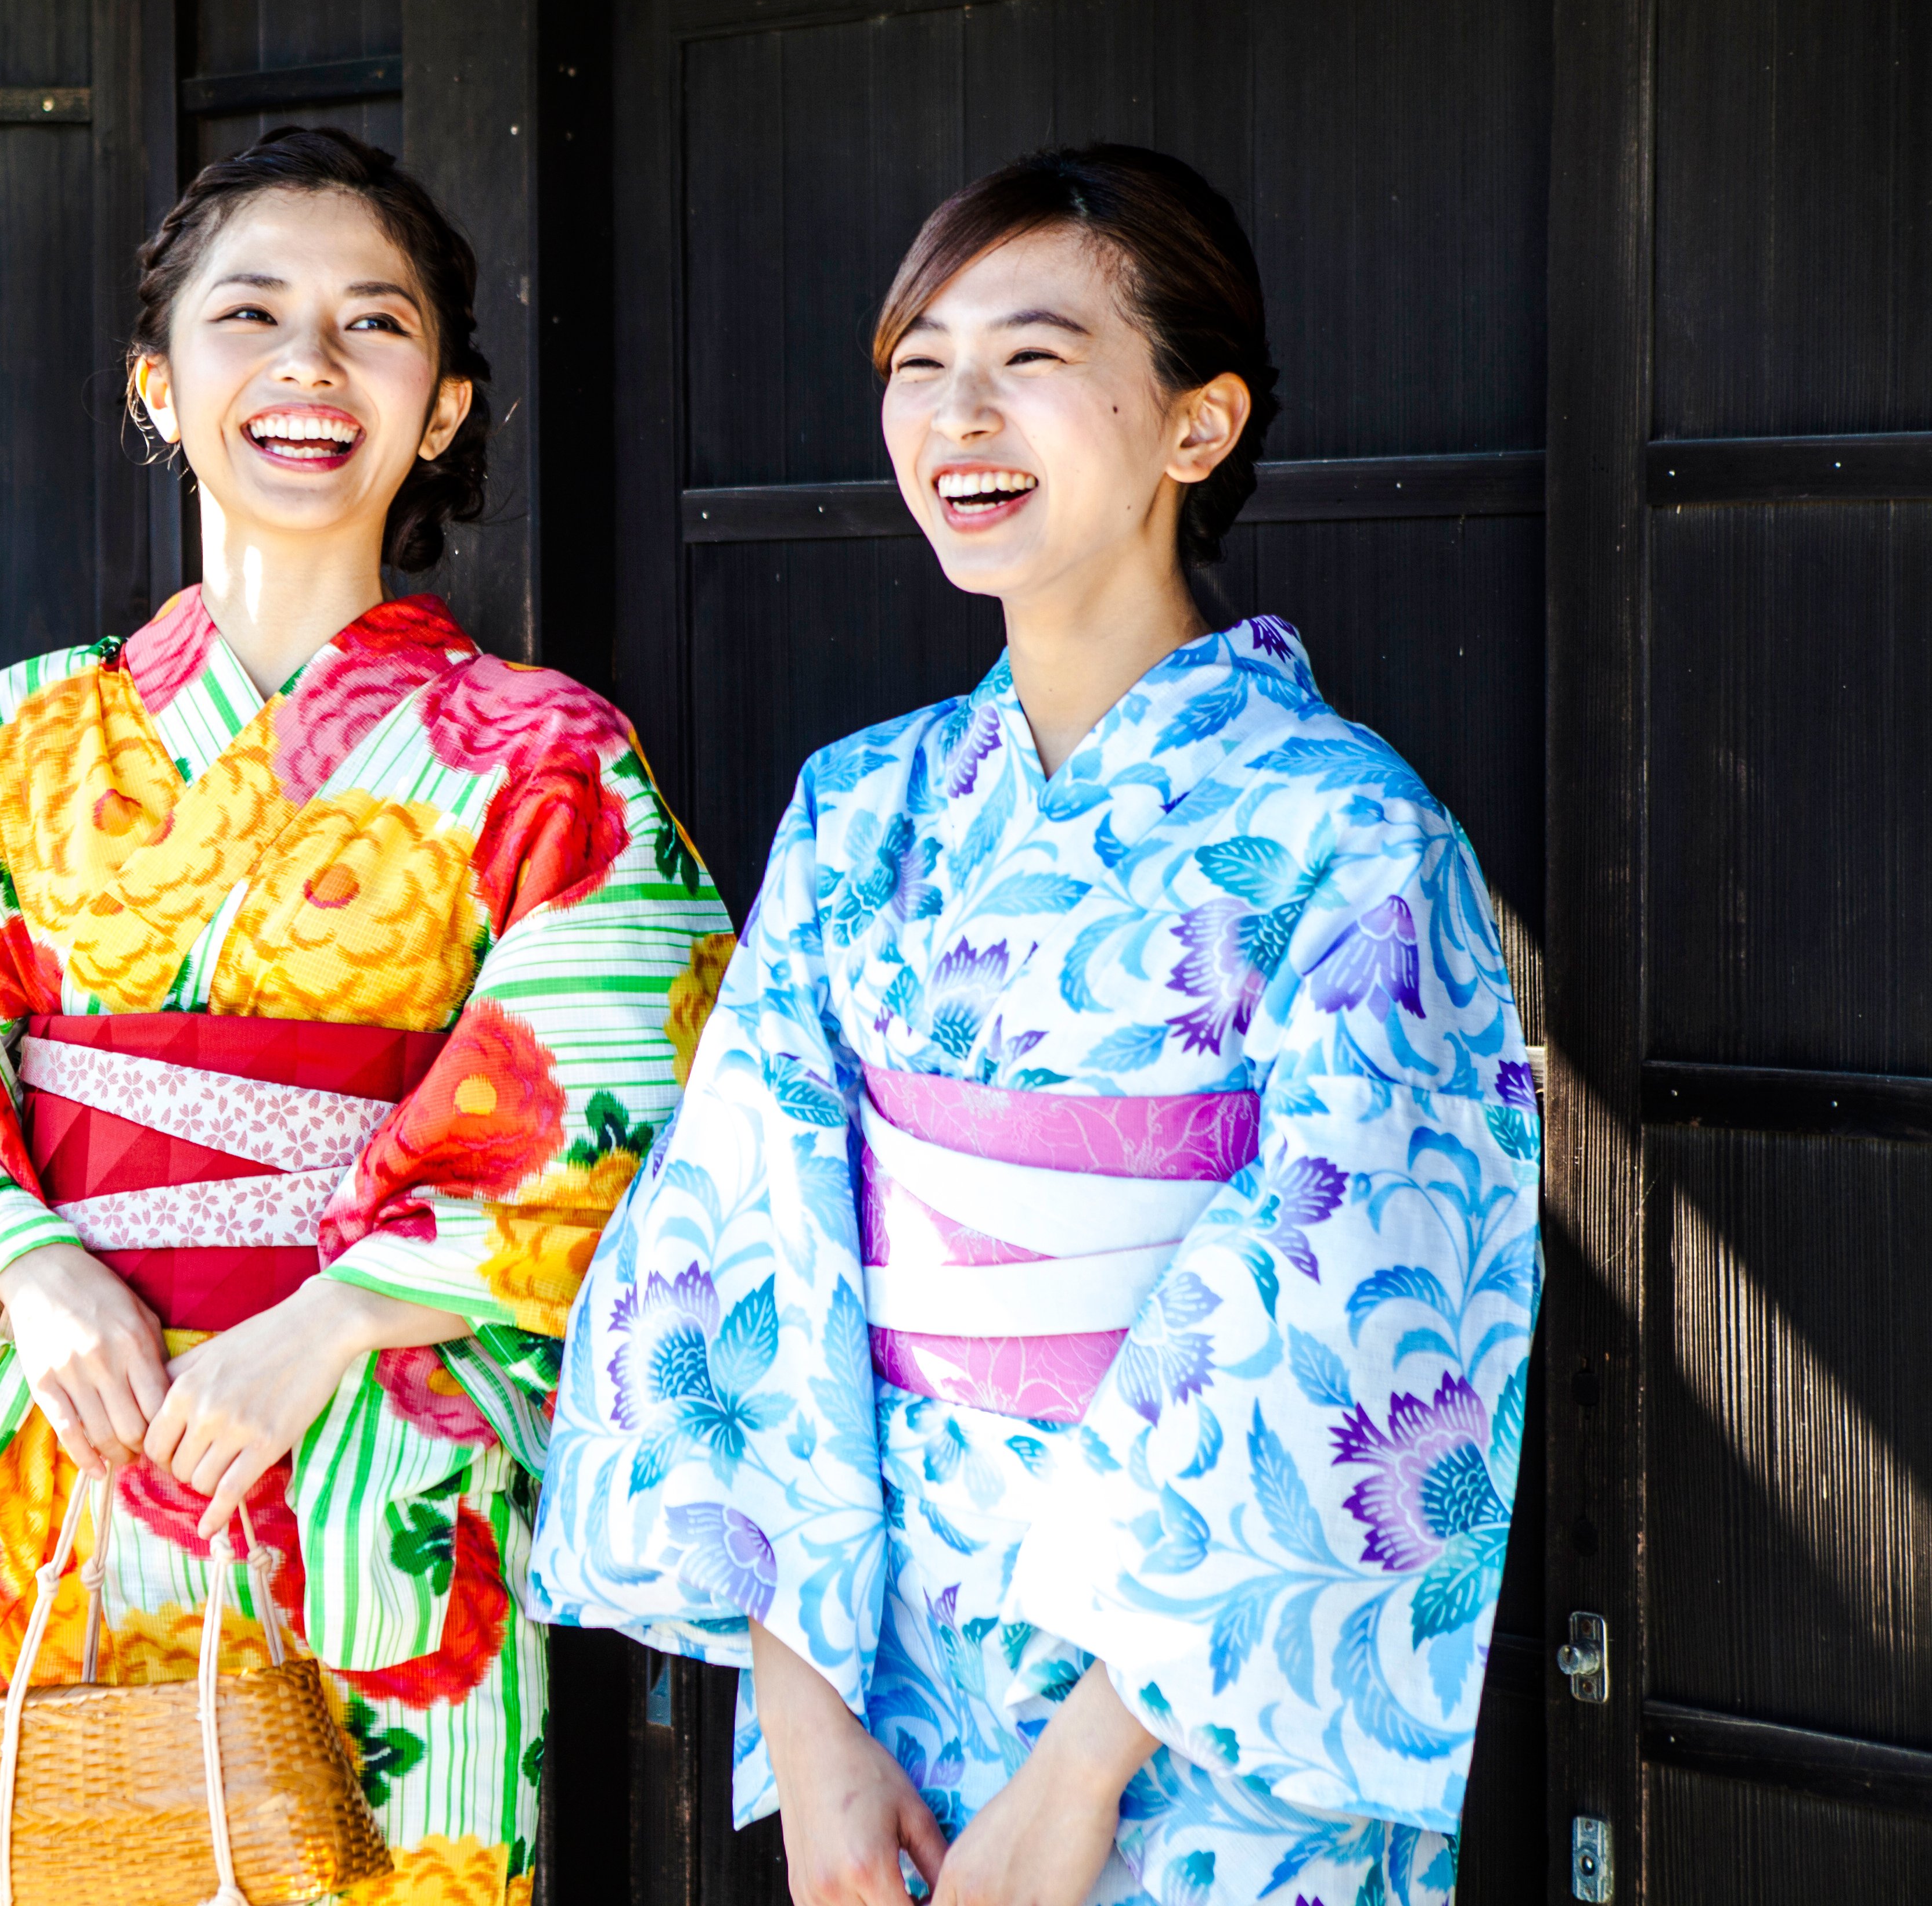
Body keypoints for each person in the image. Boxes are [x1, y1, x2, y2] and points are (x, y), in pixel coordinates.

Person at [527, 145, 1539, 1906]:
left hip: (1191, 1719)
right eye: (921, 363)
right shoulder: (859, 812)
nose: (957, 413)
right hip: (885, 1672)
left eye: (1034, 354)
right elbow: (732, 1240)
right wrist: (812, 1716)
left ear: (1196, 427)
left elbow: (1366, 1321)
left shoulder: (1351, 839)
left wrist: (1085, 1777)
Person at [0, 125, 735, 1905]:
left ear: (442, 406)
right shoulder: (15, 739)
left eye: (375, 326)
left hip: (382, 1450)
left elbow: (636, 1090)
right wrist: (25, 1272)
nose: (309, 369)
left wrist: (337, 1319)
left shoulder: (549, 754)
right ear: (162, 384)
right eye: (252, 316)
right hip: (92, 1433)